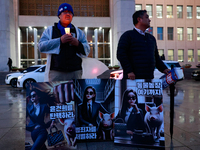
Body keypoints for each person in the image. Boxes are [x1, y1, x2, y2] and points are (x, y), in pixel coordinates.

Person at [38, 3, 90, 82]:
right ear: (59, 15)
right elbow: (41, 46)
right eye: (65, 12)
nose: (68, 14)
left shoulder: (78, 32)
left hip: (75, 72)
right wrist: (60, 41)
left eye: (70, 12)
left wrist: (77, 44)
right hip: (56, 72)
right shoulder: (50, 31)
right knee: (56, 93)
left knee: (75, 94)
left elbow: (87, 50)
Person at [117, 10, 170, 80]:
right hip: (133, 80)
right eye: (147, 17)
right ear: (139, 19)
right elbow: (121, 54)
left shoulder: (151, 38)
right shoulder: (127, 36)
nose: (149, 20)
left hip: (149, 79)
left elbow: (156, 57)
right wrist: (129, 71)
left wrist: (164, 69)